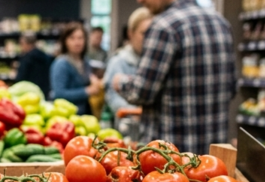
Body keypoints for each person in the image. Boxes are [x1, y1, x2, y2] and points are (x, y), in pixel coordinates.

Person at [112, 0, 236, 154]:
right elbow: (232, 88)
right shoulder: (221, 24)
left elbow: (141, 92)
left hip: (170, 157)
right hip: (213, 157)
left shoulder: (164, 26)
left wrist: (120, 82)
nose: (139, 1)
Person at [103, 8, 152, 121]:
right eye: (144, 33)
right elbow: (113, 99)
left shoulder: (157, 62)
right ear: (130, 33)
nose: (149, 38)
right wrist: (138, 111)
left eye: (152, 33)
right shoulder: (118, 61)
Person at [50, 23, 102, 115]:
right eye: (72, 38)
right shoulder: (61, 64)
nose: (77, 42)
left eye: (80, 38)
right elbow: (59, 94)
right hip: (66, 115)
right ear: (65, 41)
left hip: (84, 114)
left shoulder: (85, 61)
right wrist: (87, 91)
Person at [15, 32, 52, 97]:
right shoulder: (45, 56)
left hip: (28, 93)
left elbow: (20, 78)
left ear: (25, 43)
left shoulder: (26, 58)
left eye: (21, 43)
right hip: (44, 91)